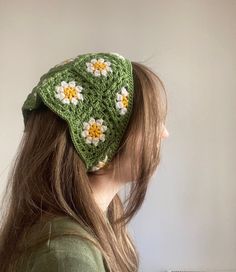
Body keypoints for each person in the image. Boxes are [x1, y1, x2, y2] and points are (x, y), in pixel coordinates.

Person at [0, 52, 169, 272]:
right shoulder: (68, 257)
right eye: (151, 123)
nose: (163, 133)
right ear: (103, 141)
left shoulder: (93, 229)